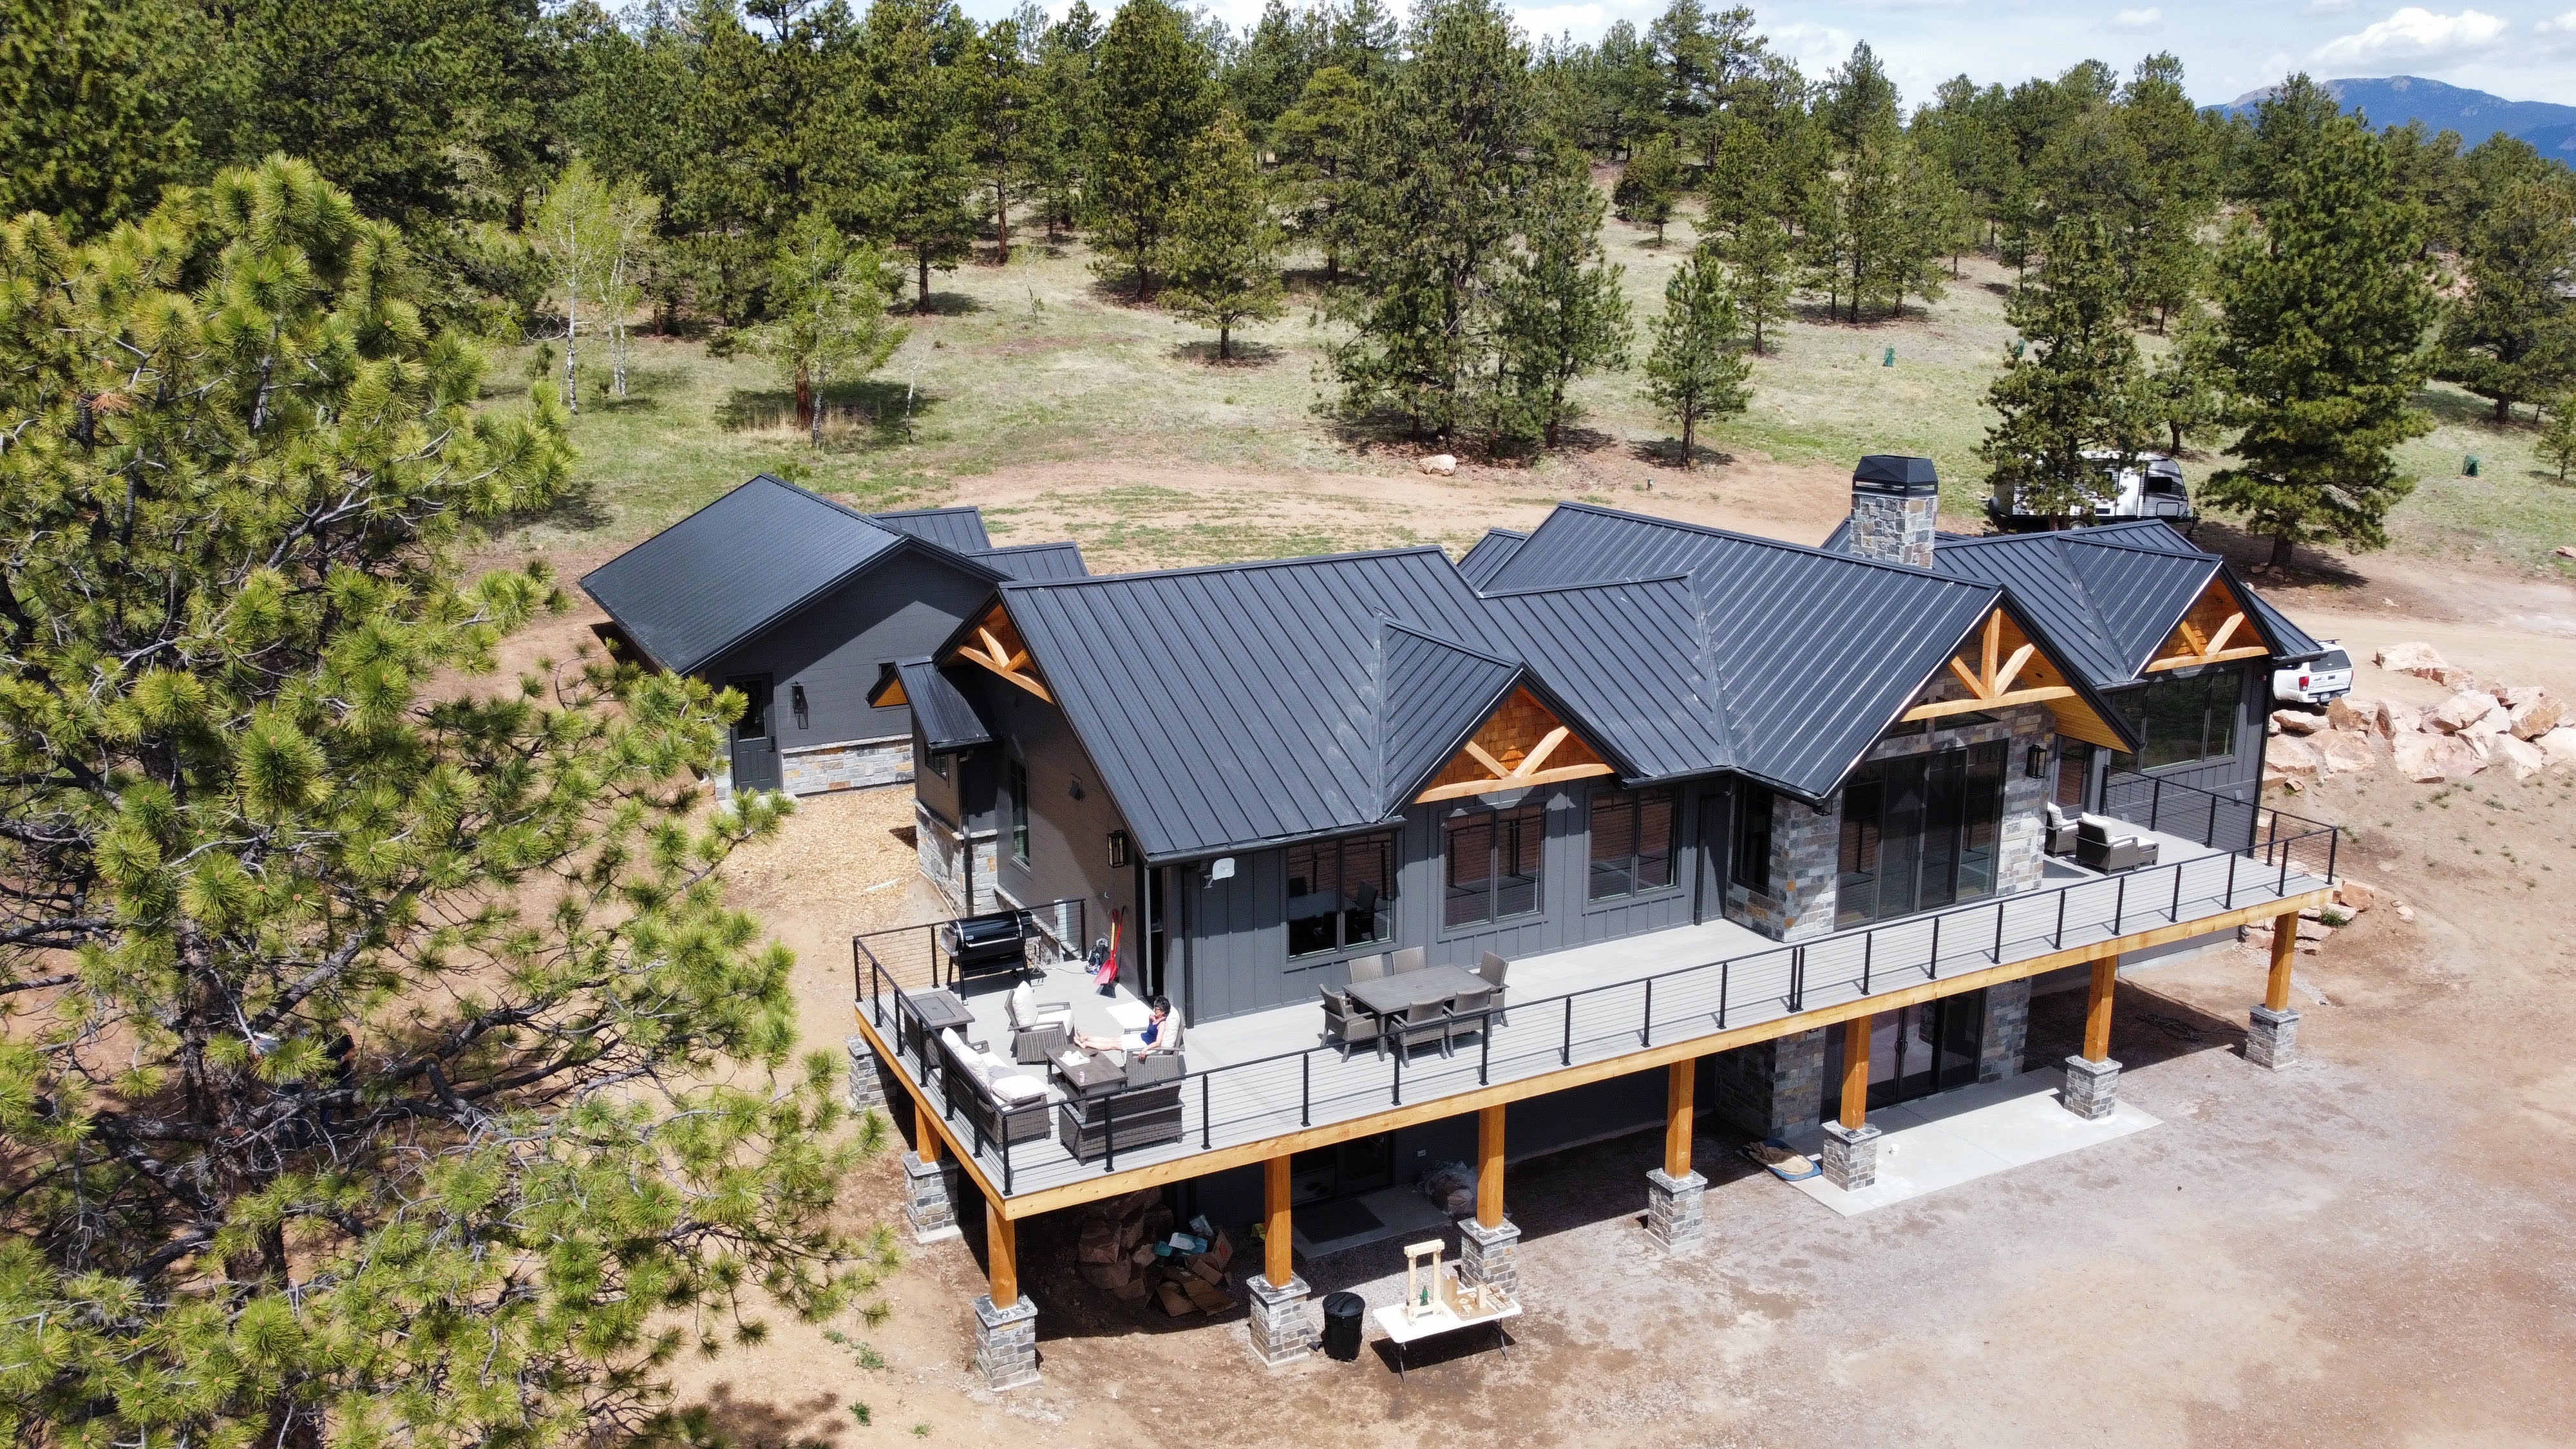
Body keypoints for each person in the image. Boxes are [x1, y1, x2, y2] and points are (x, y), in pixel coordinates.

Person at [1075, 996, 1181, 1060]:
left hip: (1144, 1044)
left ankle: (1086, 1044)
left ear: (1163, 1011)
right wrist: (1150, 1019)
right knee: (1112, 1039)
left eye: (1157, 1009)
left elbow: (1158, 1042)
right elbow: (1151, 1030)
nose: (1154, 1010)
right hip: (1141, 1037)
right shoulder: (1155, 1018)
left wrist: (1145, 1049)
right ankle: (1087, 1038)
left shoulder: (1162, 1024)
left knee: (1113, 1045)